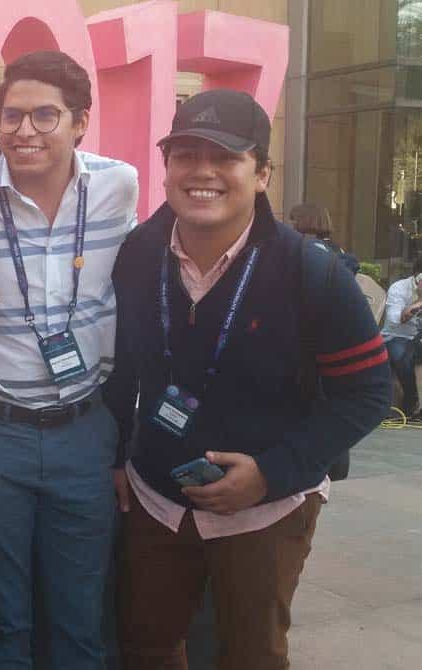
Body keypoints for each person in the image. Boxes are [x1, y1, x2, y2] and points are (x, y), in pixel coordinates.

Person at [103, 89, 391, 670]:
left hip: (267, 509)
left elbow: (368, 393)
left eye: (225, 157)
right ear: (166, 168)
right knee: (146, 648)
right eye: (186, 155)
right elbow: (122, 365)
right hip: (155, 498)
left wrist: (271, 473)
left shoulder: (311, 273)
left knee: (250, 654)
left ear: (261, 174)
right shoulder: (138, 254)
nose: (202, 171)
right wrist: (114, 458)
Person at [0, 50, 139, 668]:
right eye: (11, 116)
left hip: (85, 431)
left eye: (44, 116)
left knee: (80, 616)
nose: (24, 131)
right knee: (2, 617)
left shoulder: (118, 185)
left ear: (80, 122)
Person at [381, 256, 422, 418]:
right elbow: (395, 320)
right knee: (401, 355)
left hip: (418, 338)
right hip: (396, 336)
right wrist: (419, 300)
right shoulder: (399, 288)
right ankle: (412, 401)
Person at [290, 202, 360, 274]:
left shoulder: (309, 248)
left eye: (294, 219)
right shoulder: (336, 248)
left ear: (307, 221)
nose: (291, 223)